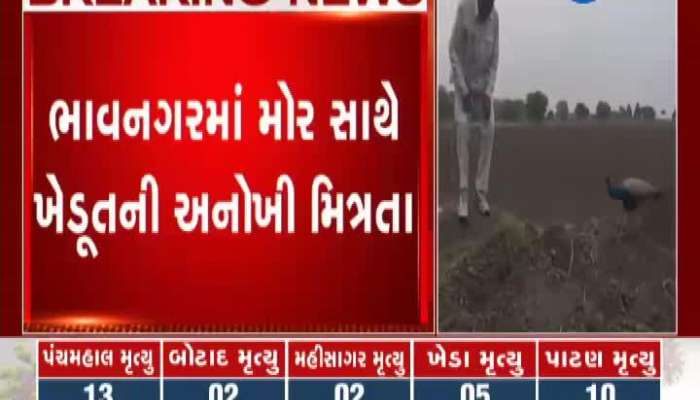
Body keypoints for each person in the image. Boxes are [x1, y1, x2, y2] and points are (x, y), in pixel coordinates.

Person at [449, 0, 499, 222]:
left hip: (482, 88)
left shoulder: (495, 17)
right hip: (464, 86)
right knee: (462, 130)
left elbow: (495, 59)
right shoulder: (464, 9)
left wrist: (488, 93)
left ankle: (481, 194)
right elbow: (453, 50)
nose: (488, 8)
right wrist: (463, 90)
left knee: (489, 130)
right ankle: (463, 196)